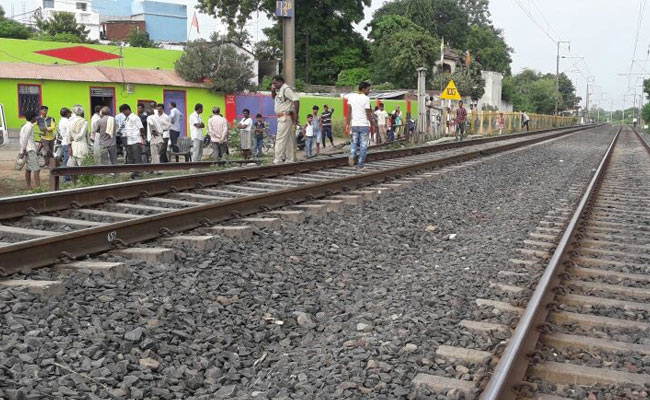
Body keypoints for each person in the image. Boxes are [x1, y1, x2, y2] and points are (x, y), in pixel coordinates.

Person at [345, 81, 376, 170]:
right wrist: (373, 124)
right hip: (363, 126)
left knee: (354, 143)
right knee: (363, 146)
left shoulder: (351, 96)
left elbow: (349, 112)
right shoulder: (366, 98)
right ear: (363, 89)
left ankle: (352, 155)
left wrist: (347, 124)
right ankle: (360, 165)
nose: (369, 91)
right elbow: (368, 114)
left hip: (354, 125)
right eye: (368, 89)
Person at [271, 75, 300, 164]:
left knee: (280, 138)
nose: (273, 85)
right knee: (289, 140)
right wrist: (272, 91)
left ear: (280, 82)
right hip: (283, 117)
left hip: (285, 117)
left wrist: (296, 114)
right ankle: (290, 159)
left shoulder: (286, 89)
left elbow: (296, 100)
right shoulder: (280, 90)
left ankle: (277, 160)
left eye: (275, 83)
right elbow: (274, 98)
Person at [119, 104, 145, 178]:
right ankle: (134, 172)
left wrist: (143, 138)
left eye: (124, 112)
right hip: (129, 140)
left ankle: (139, 172)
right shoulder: (127, 118)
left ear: (128, 109)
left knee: (137, 157)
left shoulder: (135, 118)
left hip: (136, 140)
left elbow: (141, 128)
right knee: (131, 157)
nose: (124, 113)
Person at [19, 111, 40, 189]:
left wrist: (23, 149)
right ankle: (38, 187)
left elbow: (22, 139)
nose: (36, 118)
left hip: (28, 149)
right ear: (32, 118)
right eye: (35, 117)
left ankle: (29, 186)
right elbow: (25, 139)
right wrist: (23, 150)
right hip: (30, 149)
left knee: (28, 169)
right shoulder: (29, 127)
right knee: (37, 169)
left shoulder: (25, 126)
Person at [58, 107, 71, 175]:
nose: (70, 114)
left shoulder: (62, 120)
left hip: (64, 141)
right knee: (67, 159)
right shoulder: (66, 121)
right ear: (67, 113)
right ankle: (66, 176)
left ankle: (66, 175)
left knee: (66, 158)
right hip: (67, 142)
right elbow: (69, 132)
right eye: (70, 112)